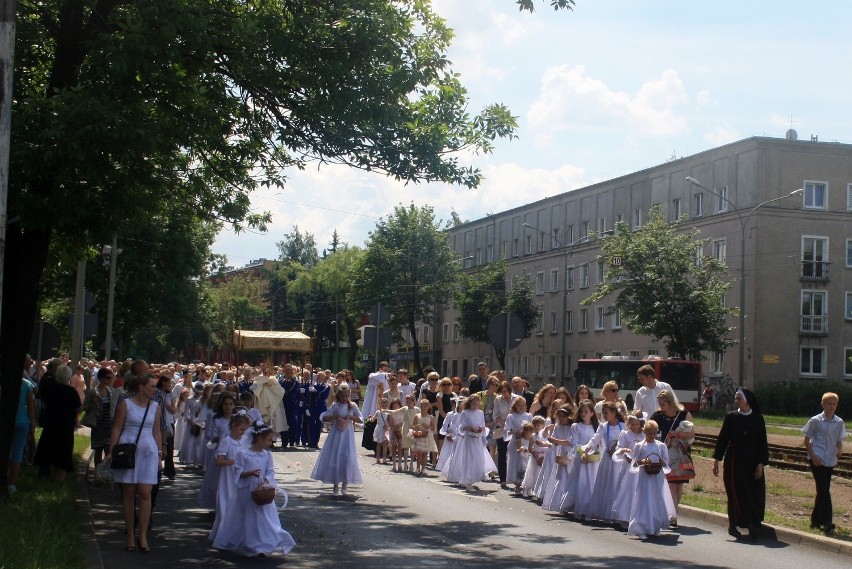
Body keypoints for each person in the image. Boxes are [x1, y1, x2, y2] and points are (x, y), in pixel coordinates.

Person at [212, 422, 296, 557]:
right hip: (247, 490)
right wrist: (249, 473)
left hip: (261, 489)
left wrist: (265, 483)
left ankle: (263, 544)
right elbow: (238, 472)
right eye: (269, 439)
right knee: (249, 517)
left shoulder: (267, 455)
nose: (271, 443)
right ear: (259, 439)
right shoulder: (243, 454)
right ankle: (249, 543)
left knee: (263, 518)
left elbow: (270, 472)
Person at [107, 371, 163, 552]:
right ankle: (130, 534)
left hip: (148, 451)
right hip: (128, 449)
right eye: (152, 386)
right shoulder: (126, 404)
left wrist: (160, 454)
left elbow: (156, 432)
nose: (155, 390)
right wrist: (111, 451)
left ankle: (143, 535)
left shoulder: (155, 407)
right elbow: (116, 428)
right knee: (129, 494)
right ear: (141, 387)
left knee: (146, 493)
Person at [713, 388, 769, 540]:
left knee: (752, 492)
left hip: (752, 461)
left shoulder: (758, 418)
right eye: (736, 398)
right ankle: (733, 524)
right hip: (734, 461)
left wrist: (761, 463)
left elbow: (762, 443)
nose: (736, 401)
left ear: (747, 400)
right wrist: (717, 459)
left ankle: (752, 523)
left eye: (739, 398)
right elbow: (723, 438)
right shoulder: (731, 416)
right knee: (735, 492)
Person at [802, 392, 846, 536]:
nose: (831, 406)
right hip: (817, 458)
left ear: (836, 405)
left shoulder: (838, 422)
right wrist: (813, 456)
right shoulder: (815, 420)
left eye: (834, 404)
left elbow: (839, 440)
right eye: (829, 404)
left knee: (823, 489)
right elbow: (806, 441)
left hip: (829, 460)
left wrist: (839, 450)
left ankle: (815, 520)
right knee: (824, 489)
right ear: (823, 404)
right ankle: (828, 522)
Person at [650, 389, 694, 525]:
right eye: (659, 404)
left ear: (670, 402)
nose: (660, 406)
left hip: (680, 454)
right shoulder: (657, 416)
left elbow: (692, 435)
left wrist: (677, 435)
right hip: (665, 454)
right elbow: (649, 430)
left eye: (662, 404)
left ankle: (673, 513)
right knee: (670, 484)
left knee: (678, 484)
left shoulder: (684, 414)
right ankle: (671, 514)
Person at [311, 385, 363, 495]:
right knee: (336, 456)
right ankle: (335, 484)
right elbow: (325, 418)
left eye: (347, 396)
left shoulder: (352, 406)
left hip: (347, 434)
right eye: (343, 396)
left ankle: (345, 483)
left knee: (347, 457)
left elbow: (360, 419)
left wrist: (351, 417)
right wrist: (335, 416)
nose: (345, 398)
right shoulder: (336, 405)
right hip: (336, 434)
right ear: (338, 396)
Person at [33, 364, 81, 482]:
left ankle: (51, 475)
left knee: (50, 448)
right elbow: (78, 408)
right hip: (66, 425)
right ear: (68, 376)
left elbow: (45, 403)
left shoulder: (52, 389)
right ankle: (60, 478)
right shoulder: (71, 391)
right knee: (64, 450)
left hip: (51, 423)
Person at [209, 411, 250, 543]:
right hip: (228, 478)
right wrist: (234, 462)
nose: (243, 432)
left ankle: (238, 536)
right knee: (226, 504)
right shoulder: (227, 441)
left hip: (241, 476)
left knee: (240, 506)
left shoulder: (245, 441)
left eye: (245, 430)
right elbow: (219, 461)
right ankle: (223, 535)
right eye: (241, 429)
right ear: (233, 426)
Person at [441, 396, 497, 492]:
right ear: (469, 403)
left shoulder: (480, 413)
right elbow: (462, 427)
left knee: (477, 458)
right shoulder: (465, 413)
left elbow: (483, 424)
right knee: (469, 459)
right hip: (468, 439)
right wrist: (470, 428)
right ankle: (467, 481)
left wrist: (481, 430)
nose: (475, 406)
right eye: (473, 404)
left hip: (477, 439)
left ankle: (473, 478)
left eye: (477, 404)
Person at [627, 420, 671, 539]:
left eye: (654, 433)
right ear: (645, 433)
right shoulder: (639, 446)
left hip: (657, 477)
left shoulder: (661, 446)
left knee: (656, 499)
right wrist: (641, 462)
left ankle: (655, 526)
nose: (651, 436)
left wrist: (663, 463)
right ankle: (641, 528)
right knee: (644, 500)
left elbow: (667, 464)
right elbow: (633, 464)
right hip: (644, 477)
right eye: (649, 433)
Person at [8, 371, 37, 494]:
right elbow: (30, 407)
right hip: (22, 421)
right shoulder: (27, 385)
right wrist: (32, 424)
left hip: (5, 421)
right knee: (17, 452)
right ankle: (11, 484)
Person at [504, 397, 532, 493]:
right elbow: (507, 429)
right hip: (515, 442)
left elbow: (531, 428)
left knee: (525, 463)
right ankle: (517, 484)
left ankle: (525, 483)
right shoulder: (511, 416)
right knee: (516, 463)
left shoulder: (528, 416)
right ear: (515, 406)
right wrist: (515, 432)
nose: (521, 407)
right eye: (519, 405)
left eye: (523, 405)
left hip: (526, 442)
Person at [411, 398, 438, 476]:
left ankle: (423, 469)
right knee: (419, 453)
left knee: (425, 453)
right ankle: (417, 468)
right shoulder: (417, 416)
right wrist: (416, 427)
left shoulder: (430, 417)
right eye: (422, 406)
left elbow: (433, 428)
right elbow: (413, 426)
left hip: (427, 436)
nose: (423, 408)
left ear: (428, 407)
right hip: (419, 436)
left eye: (425, 406)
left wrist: (428, 426)